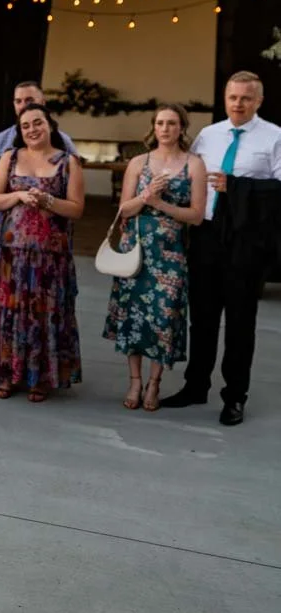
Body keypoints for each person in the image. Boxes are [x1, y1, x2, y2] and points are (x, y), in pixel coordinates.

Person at [162, 71, 281, 425]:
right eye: (232, 97)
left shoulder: (275, 136)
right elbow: (190, 177)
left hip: (247, 239)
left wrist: (238, 186)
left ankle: (235, 396)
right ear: (225, 98)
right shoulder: (209, 135)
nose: (238, 104)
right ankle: (195, 386)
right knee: (202, 317)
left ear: (259, 101)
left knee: (241, 321)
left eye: (246, 98)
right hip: (208, 235)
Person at [102, 106, 206, 411]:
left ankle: (155, 382)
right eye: (160, 123)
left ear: (181, 127)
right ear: (154, 127)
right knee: (133, 316)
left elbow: (196, 216)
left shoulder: (194, 164)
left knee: (164, 318)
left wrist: (160, 203)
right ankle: (135, 381)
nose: (165, 128)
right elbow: (125, 209)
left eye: (171, 123)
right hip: (136, 250)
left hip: (170, 253)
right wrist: (146, 196)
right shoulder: (139, 162)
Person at [0, 102, 84, 401]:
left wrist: (47, 201)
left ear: (50, 125)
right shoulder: (10, 157)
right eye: (26, 125)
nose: (32, 129)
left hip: (50, 256)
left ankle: (40, 377)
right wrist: (18, 195)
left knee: (45, 313)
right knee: (10, 311)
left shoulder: (68, 162)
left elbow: (77, 209)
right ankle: (9, 373)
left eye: (38, 123)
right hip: (11, 254)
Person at [0, 81, 76, 233]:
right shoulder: (0, 142)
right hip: (4, 224)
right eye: (18, 101)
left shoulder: (64, 142)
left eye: (29, 100)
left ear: (42, 102)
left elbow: (75, 196)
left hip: (52, 227)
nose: (23, 105)